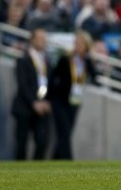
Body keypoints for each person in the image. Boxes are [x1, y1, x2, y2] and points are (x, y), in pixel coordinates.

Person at [48, 30, 97, 160]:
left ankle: (54, 162)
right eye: (77, 43)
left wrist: (89, 60)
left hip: (75, 101)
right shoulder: (65, 59)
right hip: (60, 100)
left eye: (81, 43)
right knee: (63, 132)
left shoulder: (86, 62)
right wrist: (49, 98)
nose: (78, 46)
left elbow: (95, 77)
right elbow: (53, 78)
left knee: (66, 133)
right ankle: (69, 161)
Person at [11, 29, 52, 160]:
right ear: (32, 40)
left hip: (42, 108)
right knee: (21, 144)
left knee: (42, 142)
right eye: (40, 39)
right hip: (25, 107)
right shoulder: (23, 59)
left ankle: (36, 174)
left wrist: (46, 101)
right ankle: (18, 176)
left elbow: (50, 83)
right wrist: (34, 102)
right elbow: (22, 85)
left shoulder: (47, 61)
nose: (43, 42)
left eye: (44, 39)